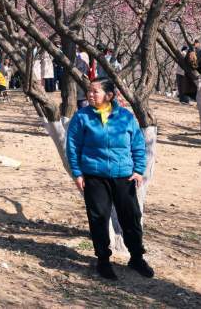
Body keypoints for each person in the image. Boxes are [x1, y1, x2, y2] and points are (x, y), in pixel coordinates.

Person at [65, 79, 153, 280]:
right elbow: (73, 148)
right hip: (95, 176)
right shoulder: (81, 117)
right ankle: (103, 260)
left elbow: (138, 145)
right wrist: (78, 173)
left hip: (124, 176)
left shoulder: (125, 117)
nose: (90, 95)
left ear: (109, 95)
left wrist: (138, 170)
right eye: (89, 91)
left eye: (95, 92)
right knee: (99, 218)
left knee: (130, 217)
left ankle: (137, 258)